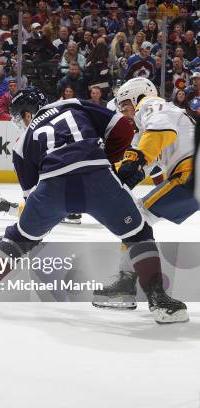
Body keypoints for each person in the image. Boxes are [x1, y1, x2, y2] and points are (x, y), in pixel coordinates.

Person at [0, 87, 189, 324]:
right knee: (138, 233)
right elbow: (123, 129)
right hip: (98, 178)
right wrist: (106, 162)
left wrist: (31, 231)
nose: (19, 123)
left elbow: (31, 196)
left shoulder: (21, 143)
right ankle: (158, 300)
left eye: (19, 117)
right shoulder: (73, 103)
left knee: (17, 239)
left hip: (52, 188)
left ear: (28, 114)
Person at [92, 78, 198, 312]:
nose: (125, 112)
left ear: (138, 96)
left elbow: (153, 137)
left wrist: (139, 157)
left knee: (136, 218)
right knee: (136, 215)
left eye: (126, 105)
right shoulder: (151, 128)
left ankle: (129, 284)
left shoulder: (152, 104)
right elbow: (137, 167)